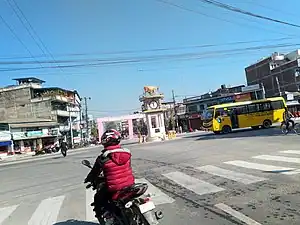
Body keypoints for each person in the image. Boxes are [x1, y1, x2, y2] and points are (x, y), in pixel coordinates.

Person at [84, 129, 135, 219]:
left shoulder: (103, 158)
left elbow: (95, 172)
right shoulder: (126, 153)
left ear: (106, 141)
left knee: (99, 197)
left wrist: (88, 179)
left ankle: (110, 215)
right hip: (130, 183)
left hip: (115, 187)